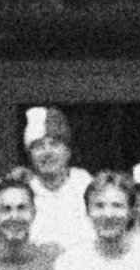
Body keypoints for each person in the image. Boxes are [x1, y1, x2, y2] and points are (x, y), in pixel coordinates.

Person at [21, 106, 94, 253]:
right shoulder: (23, 191)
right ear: (30, 156)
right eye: (39, 146)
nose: (47, 153)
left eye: (55, 144)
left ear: (68, 151)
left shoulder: (87, 186)